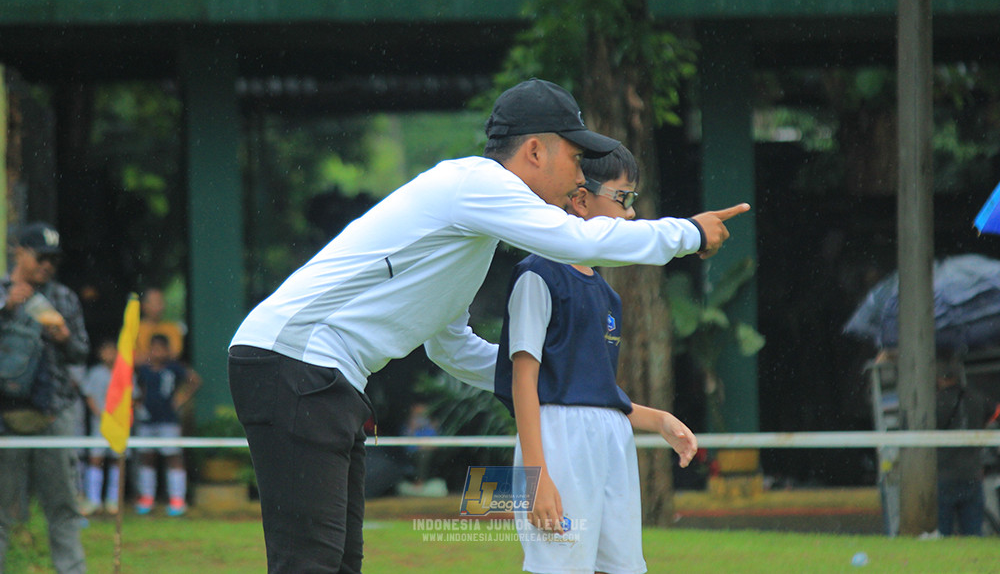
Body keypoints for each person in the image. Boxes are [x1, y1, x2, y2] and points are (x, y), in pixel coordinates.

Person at [228, 78, 749, 573]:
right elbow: (575, 241)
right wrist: (688, 233)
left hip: (324, 378)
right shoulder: (475, 184)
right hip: (294, 362)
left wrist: (554, 381)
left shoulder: (470, 234)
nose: (578, 177)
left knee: (340, 563)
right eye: (575, 158)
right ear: (536, 152)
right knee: (310, 565)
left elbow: (449, 348)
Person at [494, 145, 697, 573]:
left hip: (610, 448)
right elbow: (524, 383)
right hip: (557, 445)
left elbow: (596, 395)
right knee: (560, 564)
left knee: (623, 566)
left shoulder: (607, 295)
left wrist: (659, 420)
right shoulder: (538, 276)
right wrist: (536, 478)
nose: (630, 213)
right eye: (622, 197)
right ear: (581, 199)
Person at [0, 222, 90, 574]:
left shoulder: (64, 297)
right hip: (4, 419)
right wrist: (6, 307)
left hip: (55, 416)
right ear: (18, 252)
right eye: (41, 257)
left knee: (64, 508)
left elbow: (81, 354)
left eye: (54, 259)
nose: (47, 265)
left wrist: (65, 337)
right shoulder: (2, 291)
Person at [134, 334, 202, 517]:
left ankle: (177, 500)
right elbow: (137, 388)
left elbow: (194, 380)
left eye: (160, 348)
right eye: (153, 348)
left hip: (168, 420)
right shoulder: (144, 369)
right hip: (147, 420)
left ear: (167, 350)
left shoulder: (175, 368)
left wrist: (180, 399)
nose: (157, 352)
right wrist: (139, 403)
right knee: (147, 457)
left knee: (173, 458)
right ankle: (147, 498)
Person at [936, 353, 998, 537]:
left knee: (943, 533)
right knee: (973, 532)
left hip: (943, 474)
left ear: (938, 378)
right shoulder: (976, 397)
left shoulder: (934, 402)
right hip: (972, 473)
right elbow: (996, 412)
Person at [80, 338, 123, 516]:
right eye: (105, 350)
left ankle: (113, 500)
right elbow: (88, 395)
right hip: (99, 425)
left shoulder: (123, 372)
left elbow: (133, 396)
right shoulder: (95, 373)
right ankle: (93, 500)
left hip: (118, 426)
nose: (109, 354)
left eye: (112, 350)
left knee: (116, 460)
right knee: (95, 459)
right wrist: (99, 413)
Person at [134, 288, 185, 366]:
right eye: (156, 302)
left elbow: (175, 354)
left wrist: (150, 356)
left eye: (161, 302)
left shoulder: (172, 328)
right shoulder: (134, 329)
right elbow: (132, 360)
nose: (160, 307)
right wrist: (160, 355)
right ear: (144, 305)